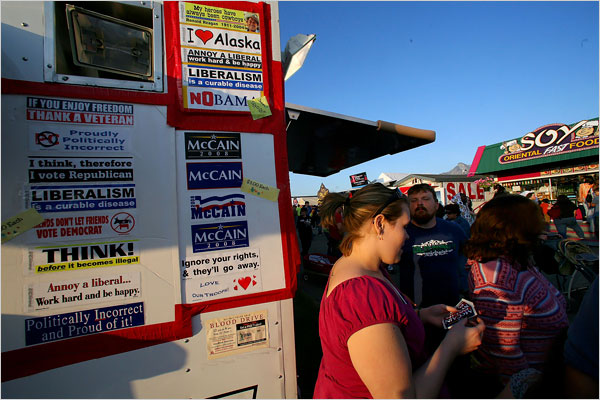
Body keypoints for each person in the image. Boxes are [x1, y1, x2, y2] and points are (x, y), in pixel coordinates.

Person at [314, 183, 485, 398]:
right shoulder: (361, 293)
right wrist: (452, 346)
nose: (407, 236)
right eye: (404, 226)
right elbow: (400, 396)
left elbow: (381, 324)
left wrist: (420, 316)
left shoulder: (362, 267)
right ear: (379, 224)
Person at [464, 195, 569, 388]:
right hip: (534, 384)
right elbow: (505, 353)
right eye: (532, 219)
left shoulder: (518, 260)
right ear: (513, 226)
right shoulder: (496, 278)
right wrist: (528, 390)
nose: (539, 224)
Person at [393, 184, 469, 308]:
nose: (419, 204)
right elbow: (381, 270)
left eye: (425, 199)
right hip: (417, 311)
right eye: (414, 200)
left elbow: (468, 257)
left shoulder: (454, 229)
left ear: (436, 205)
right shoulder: (400, 233)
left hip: (452, 306)